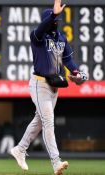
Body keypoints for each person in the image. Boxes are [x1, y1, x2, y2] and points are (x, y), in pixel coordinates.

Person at [10, 1, 87, 175]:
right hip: (39, 84)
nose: (55, 21)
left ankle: (20, 149)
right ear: (47, 20)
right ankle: (55, 162)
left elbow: (68, 60)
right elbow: (42, 27)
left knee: (39, 120)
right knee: (48, 122)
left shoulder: (61, 37)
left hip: (54, 86)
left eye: (57, 18)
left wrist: (76, 72)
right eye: (53, 19)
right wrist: (52, 14)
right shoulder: (37, 37)